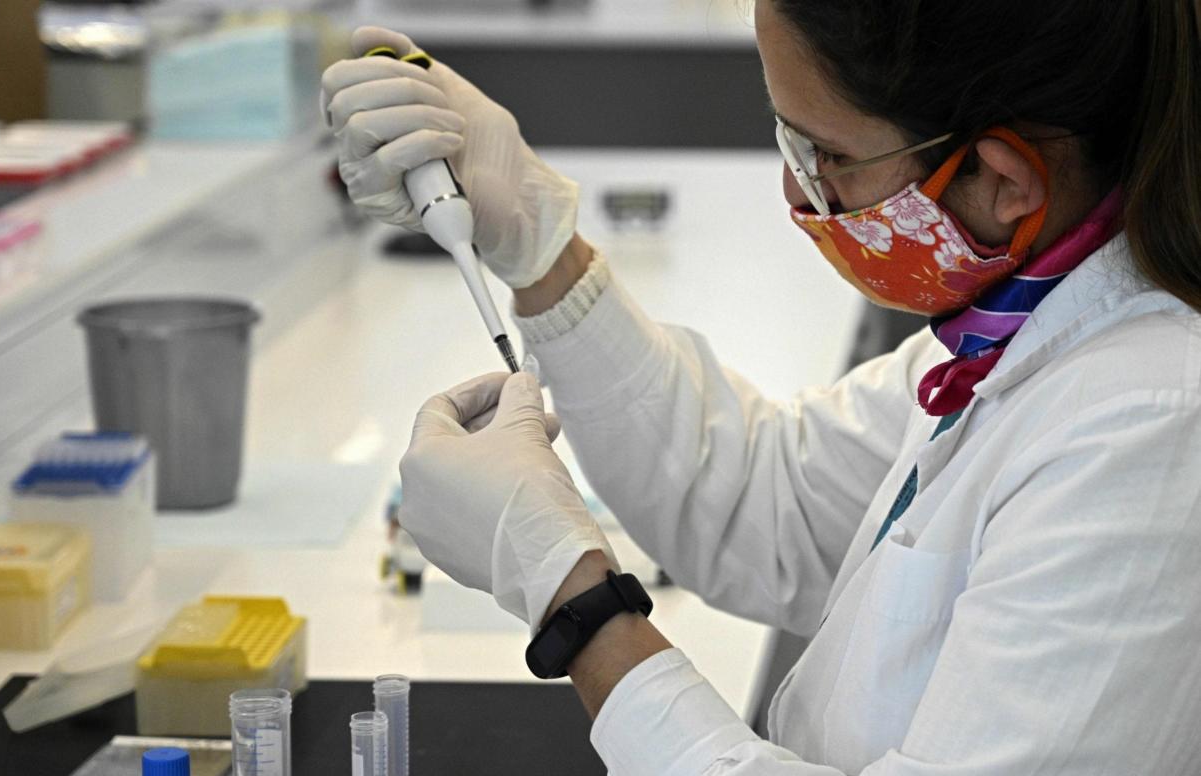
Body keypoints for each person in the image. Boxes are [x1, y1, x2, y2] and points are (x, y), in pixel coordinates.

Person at [319, 1, 1201, 772]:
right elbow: (765, 501)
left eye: (825, 154)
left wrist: (574, 603)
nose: (796, 189)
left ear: (1002, 180)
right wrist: (543, 250)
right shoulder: (1019, 324)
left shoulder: (1148, 430)